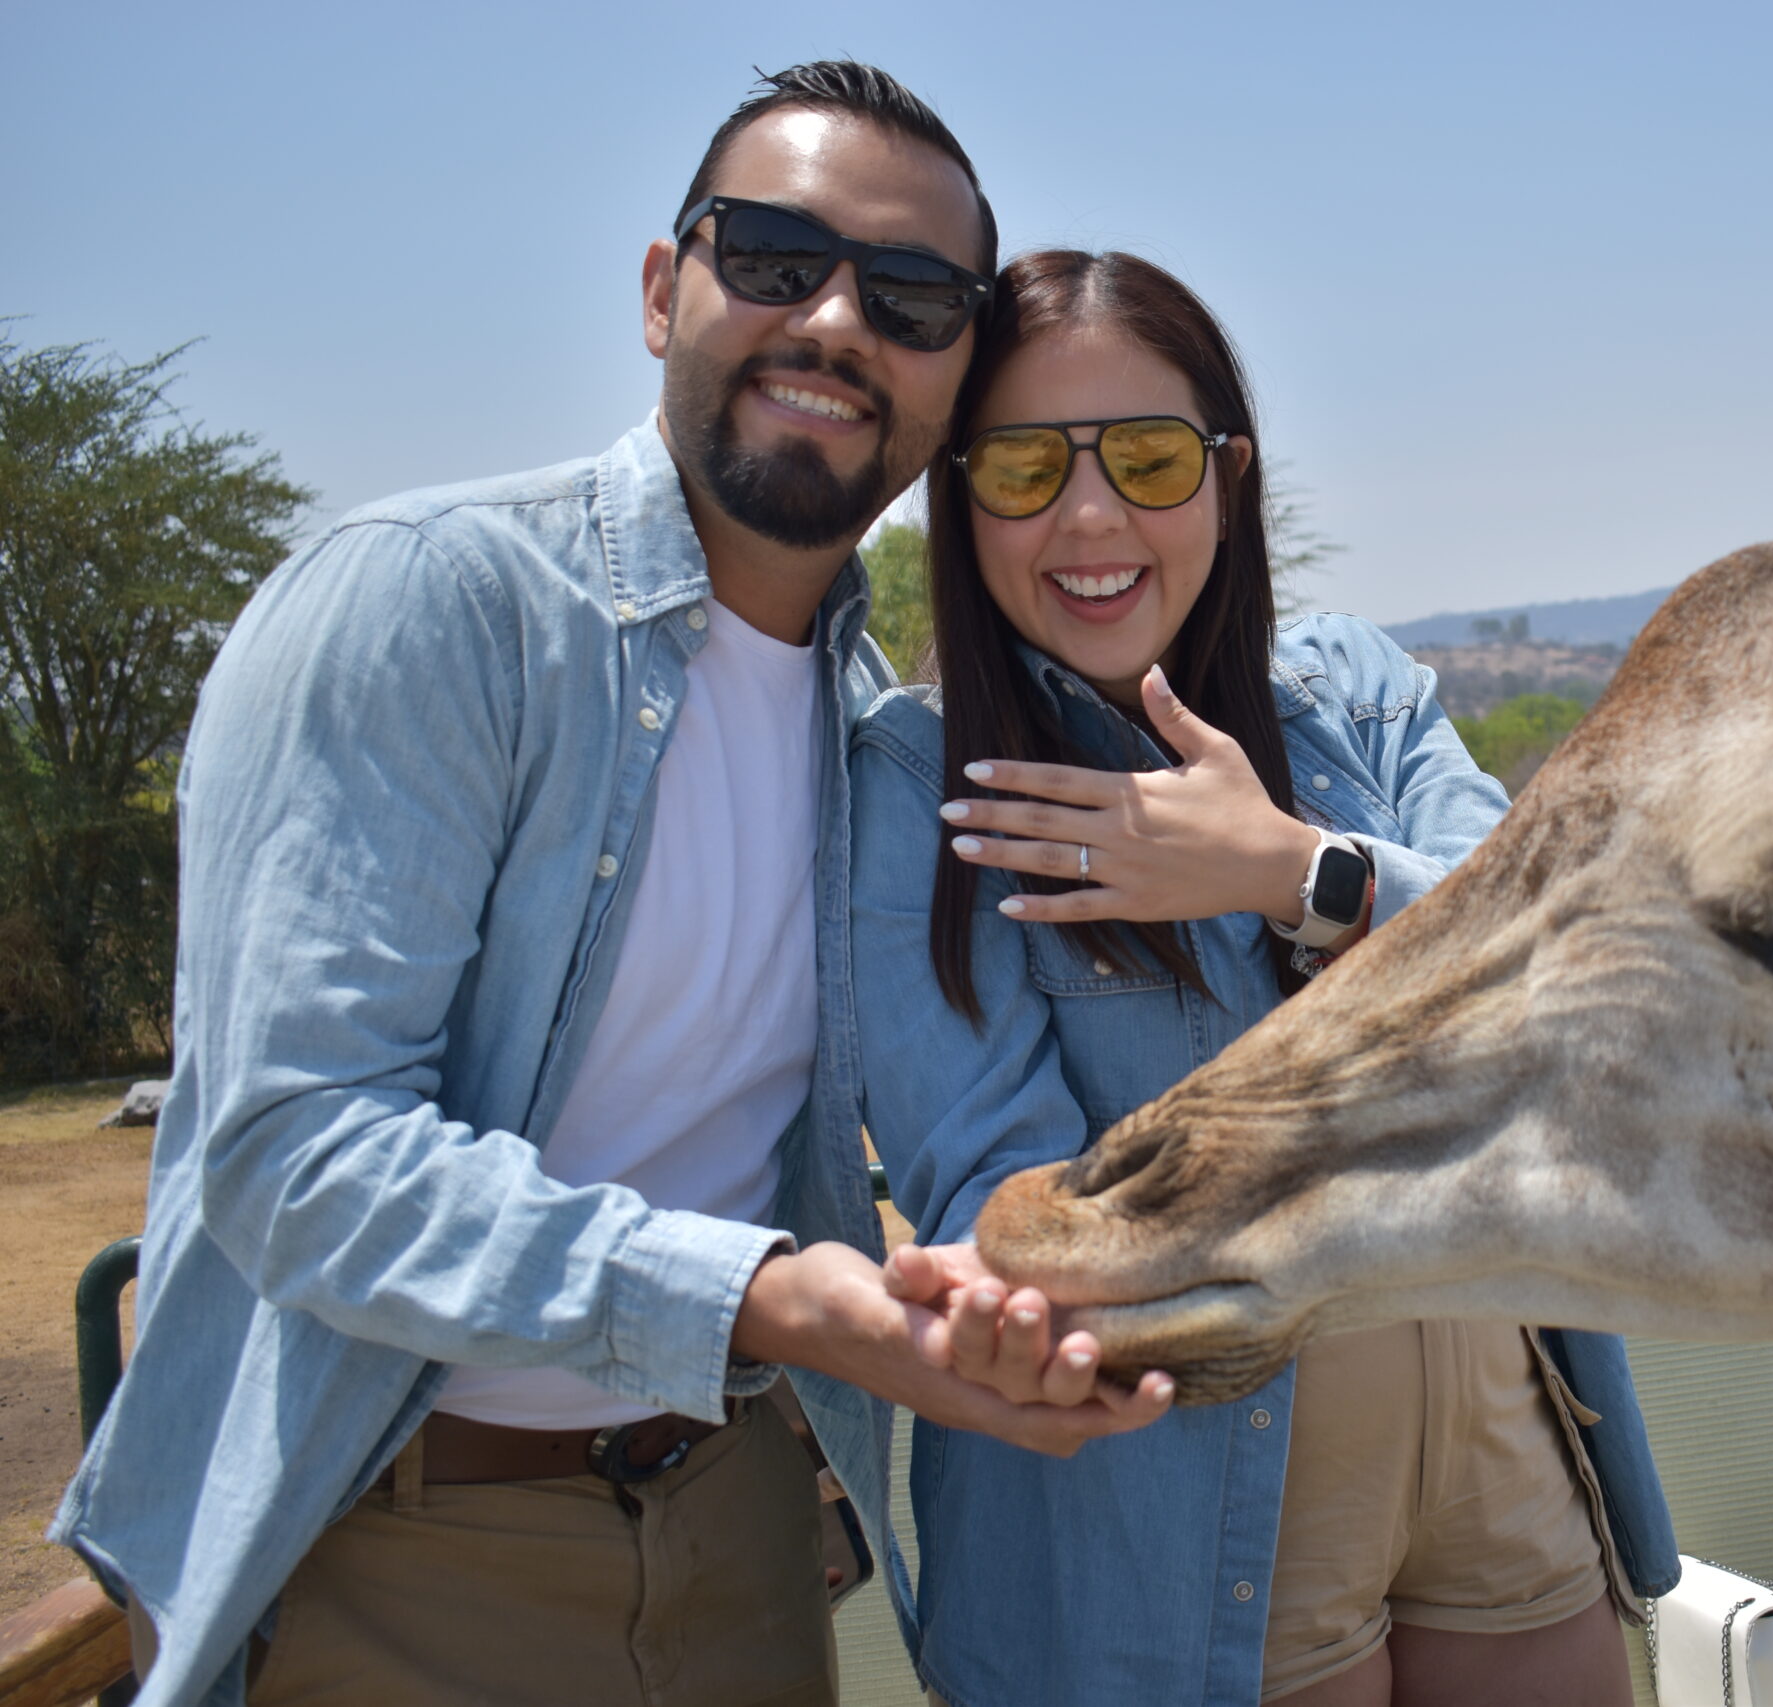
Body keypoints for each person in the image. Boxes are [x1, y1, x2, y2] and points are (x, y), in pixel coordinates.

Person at [50, 62, 1169, 1707]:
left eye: (917, 297)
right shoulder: (431, 608)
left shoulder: (877, 744)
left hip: (738, 1525)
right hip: (393, 1549)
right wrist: (776, 1301)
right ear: (665, 290)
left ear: (951, 388)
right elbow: (294, 1154)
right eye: (779, 258)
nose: (842, 321)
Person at [855, 250, 1680, 1707]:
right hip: (1181, 1501)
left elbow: (1568, 959)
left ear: (1227, 480)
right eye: (1028, 466)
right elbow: (1003, 1187)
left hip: (1502, 1423)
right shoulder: (917, 784)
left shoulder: (1361, 689)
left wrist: (1293, 871)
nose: (1092, 515)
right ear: (961, 496)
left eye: (1153, 458)